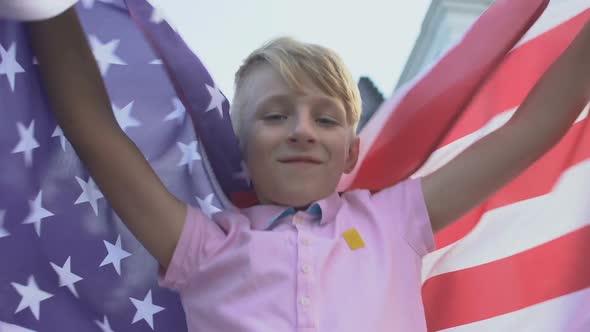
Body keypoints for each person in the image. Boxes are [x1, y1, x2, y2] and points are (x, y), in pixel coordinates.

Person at [25, 6, 589, 332]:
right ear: (243, 149)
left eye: (326, 118)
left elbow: (532, 129)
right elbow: (95, 132)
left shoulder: (393, 219)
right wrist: (45, 12)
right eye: (276, 115)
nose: (301, 129)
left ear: (350, 153)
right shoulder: (202, 246)